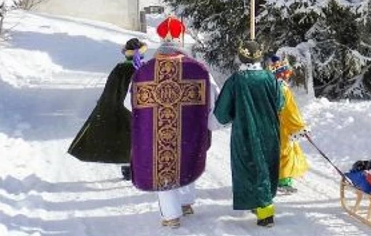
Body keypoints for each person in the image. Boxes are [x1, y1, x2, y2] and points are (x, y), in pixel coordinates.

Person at [125, 17, 220, 228]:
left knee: (164, 167)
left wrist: (151, 116)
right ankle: (186, 203)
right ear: (181, 39)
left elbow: (129, 103)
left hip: (155, 132)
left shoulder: (144, 71)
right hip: (189, 128)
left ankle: (171, 215)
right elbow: (214, 97)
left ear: (160, 39)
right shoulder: (198, 70)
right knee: (186, 157)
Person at [214, 40, 285, 228]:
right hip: (269, 131)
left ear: (240, 57)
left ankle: (265, 212)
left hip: (245, 132)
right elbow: (280, 103)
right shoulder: (270, 78)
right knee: (266, 167)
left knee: (250, 169)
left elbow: (222, 114)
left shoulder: (235, 81)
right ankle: (262, 206)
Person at [68, 38, 147, 180]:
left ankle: (128, 168)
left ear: (126, 54)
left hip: (122, 109)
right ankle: (140, 167)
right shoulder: (146, 69)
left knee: (126, 138)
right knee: (141, 137)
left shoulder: (120, 69)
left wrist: (106, 106)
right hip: (143, 110)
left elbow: (110, 91)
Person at [267, 55, 309, 195]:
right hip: (283, 127)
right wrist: (298, 127)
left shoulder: (267, 87)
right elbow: (290, 111)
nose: (287, 76)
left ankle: (271, 179)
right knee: (286, 153)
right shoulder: (283, 90)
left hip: (268, 126)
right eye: (286, 73)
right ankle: (283, 181)